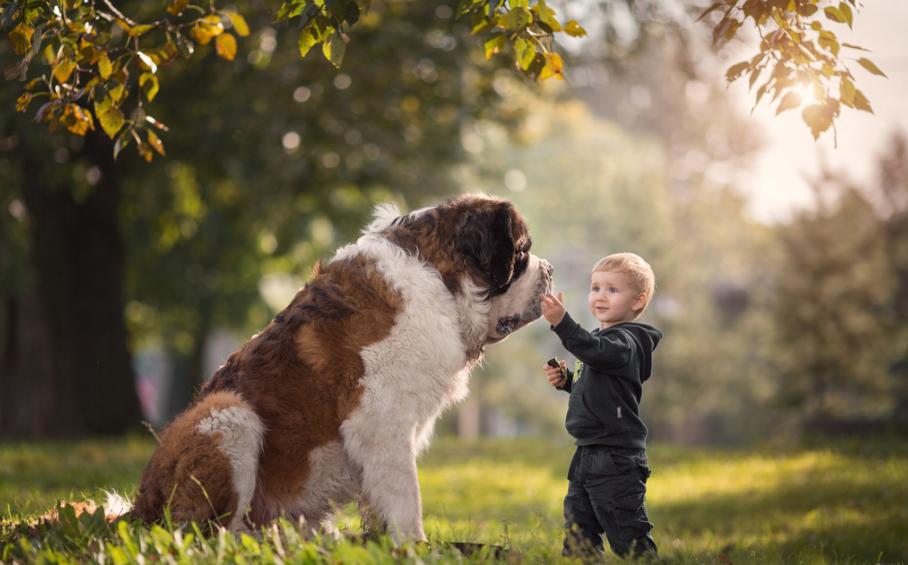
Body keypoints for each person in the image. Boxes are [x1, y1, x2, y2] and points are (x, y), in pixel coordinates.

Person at [540, 252, 663, 559]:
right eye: (596, 288)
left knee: (628, 535)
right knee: (579, 532)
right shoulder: (603, 342)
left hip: (616, 458)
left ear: (637, 301)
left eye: (612, 289)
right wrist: (568, 381)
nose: (600, 296)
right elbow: (597, 383)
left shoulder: (628, 341)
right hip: (587, 453)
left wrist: (562, 324)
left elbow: (597, 352)